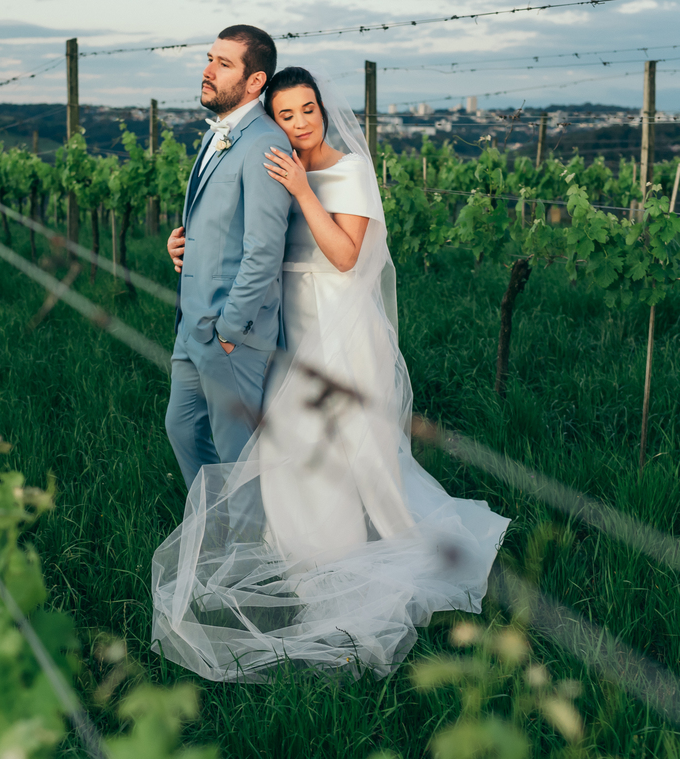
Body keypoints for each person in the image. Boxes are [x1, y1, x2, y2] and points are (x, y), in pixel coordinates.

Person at [152, 66, 509, 682]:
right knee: (290, 441)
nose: (298, 124)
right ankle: (300, 549)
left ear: (323, 108)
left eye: (307, 110)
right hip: (286, 322)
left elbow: (345, 257)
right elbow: (250, 240)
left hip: (337, 325)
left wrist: (303, 191)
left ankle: (352, 553)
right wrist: (189, 247)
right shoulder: (275, 162)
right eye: (285, 114)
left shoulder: (348, 169)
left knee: (349, 448)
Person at [164, 25, 292, 489]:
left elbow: (264, 248)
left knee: (238, 454)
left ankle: (252, 550)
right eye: (209, 59)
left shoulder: (266, 143)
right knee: (180, 429)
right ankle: (216, 532)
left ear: (254, 81)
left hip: (229, 333)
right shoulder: (213, 136)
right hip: (191, 324)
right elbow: (217, 224)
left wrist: (230, 330)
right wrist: (182, 244)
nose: (207, 70)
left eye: (223, 63)